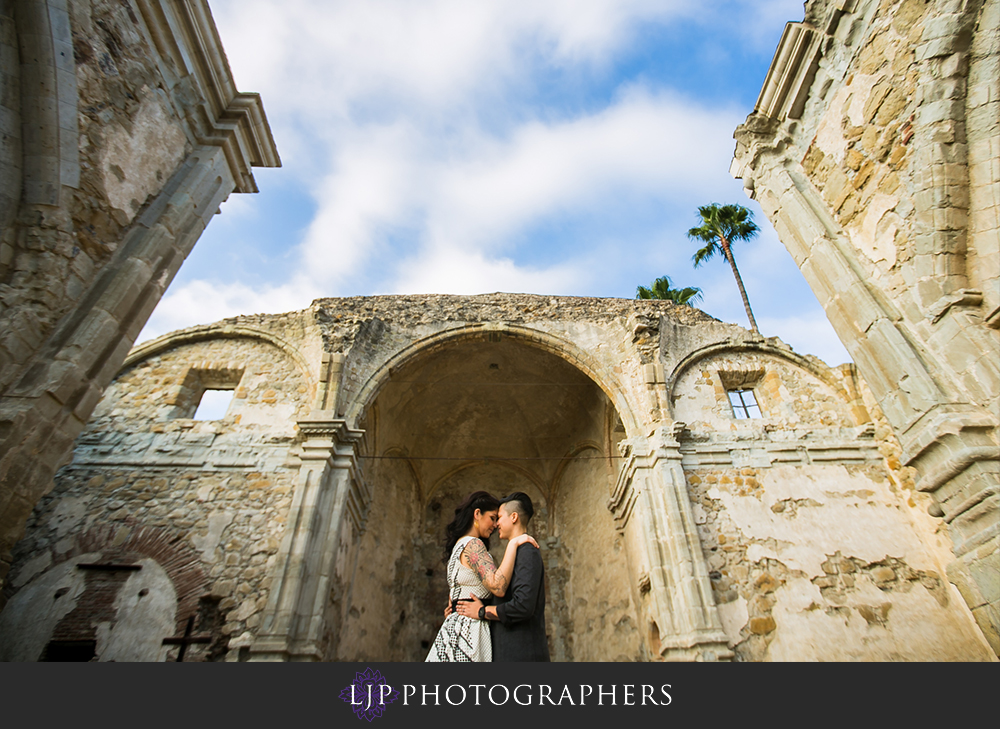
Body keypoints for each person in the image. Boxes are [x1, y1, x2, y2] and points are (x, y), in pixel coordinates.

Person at [425, 490, 537, 662]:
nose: (495, 524)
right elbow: (498, 586)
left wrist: (454, 610)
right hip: (470, 631)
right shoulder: (473, 544)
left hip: (454, 628)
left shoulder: (458, 546)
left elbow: (453, 598)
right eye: (492, 518)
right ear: (477, 514)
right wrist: (514, 543)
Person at [456, 492, 549, 661]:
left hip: (523, 655)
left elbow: (523, 606)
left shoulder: (528, 552)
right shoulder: (516, 553)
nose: (496, 523)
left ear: (514, 517)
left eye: (499, 517)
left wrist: (483, 611)